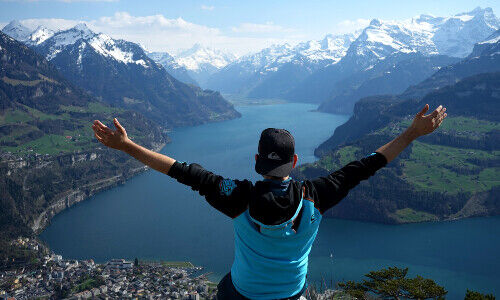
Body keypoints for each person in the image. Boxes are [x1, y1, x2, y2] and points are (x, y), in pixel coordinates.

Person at [92, 104, 447, 300]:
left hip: (242, 294)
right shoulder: (316, 195)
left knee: (225, 288)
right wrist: (413, 132)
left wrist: (127, 146)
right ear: (294, 163)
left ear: (257, 161)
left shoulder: (238, 196)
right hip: (292, 295)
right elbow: (370, 163)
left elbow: (179, 170)